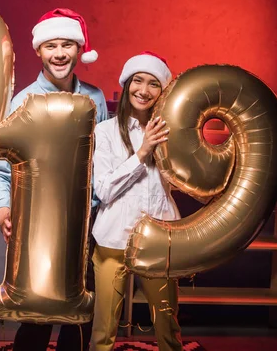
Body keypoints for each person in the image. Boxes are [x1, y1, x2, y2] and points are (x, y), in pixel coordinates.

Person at [0, 8, 108, 351]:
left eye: (67, 44)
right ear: (39, 50)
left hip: (87, 228)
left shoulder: (95, 99)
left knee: (80, 316)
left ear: (79, 50)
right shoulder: (23, 102)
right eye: (51, 45)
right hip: (37, 226)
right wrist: (2, 209)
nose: (59, 54)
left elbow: (102, 161)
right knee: (36, 315)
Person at [90, 52, 183, 351]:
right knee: (103, 331)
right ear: (126, 83)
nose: (143, 90)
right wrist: (142, 153)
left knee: (168, 328)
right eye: (137, 81)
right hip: (111, 240)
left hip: (160, 241)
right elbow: (103, 189)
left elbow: (183, 183)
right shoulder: (104, 132)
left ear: (163, 91)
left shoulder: (174, 133)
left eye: (153, 83)